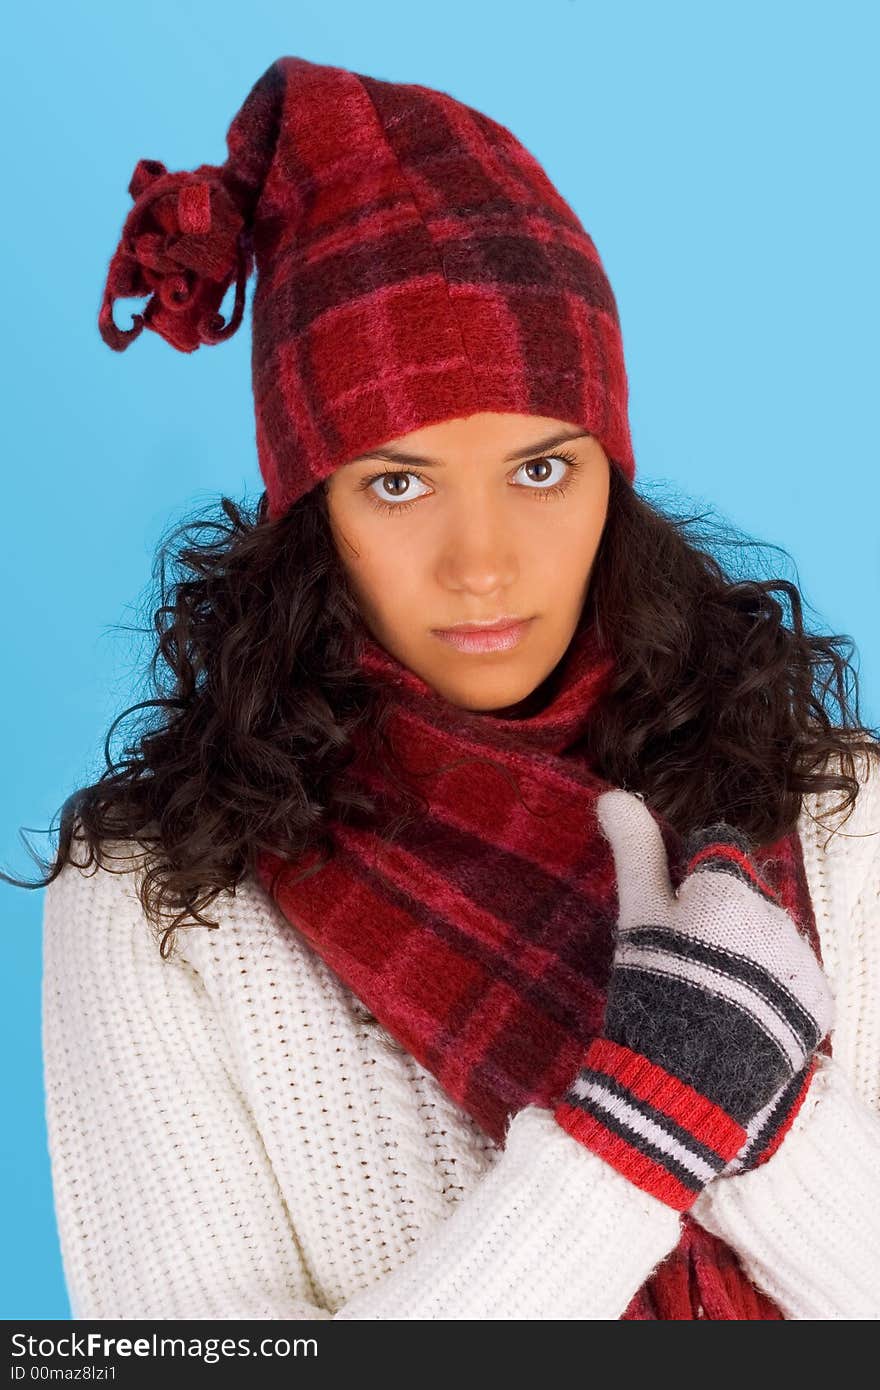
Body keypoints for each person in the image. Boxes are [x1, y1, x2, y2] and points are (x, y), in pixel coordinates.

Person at [11, 56, 880, 1320]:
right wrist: (632, 1134)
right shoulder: (155, 904)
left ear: (610, 478)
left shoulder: (838, 815)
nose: (482, 565)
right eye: (398, 483)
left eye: (538, 472)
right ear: (311, 509)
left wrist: (777, 1121)